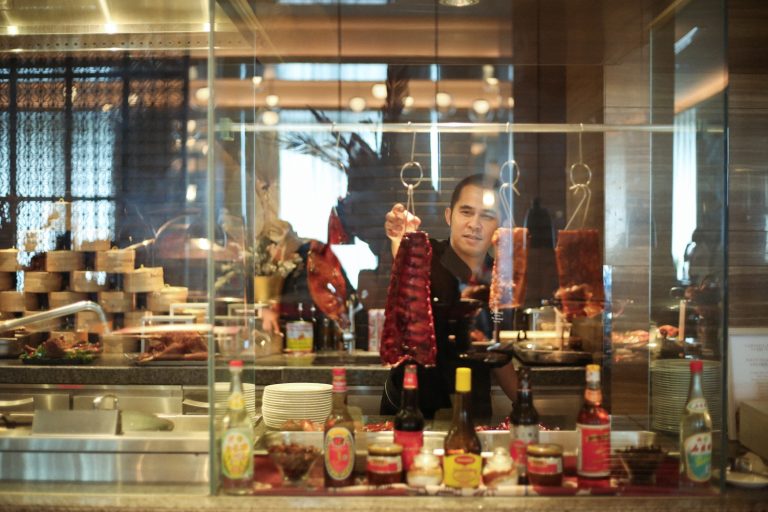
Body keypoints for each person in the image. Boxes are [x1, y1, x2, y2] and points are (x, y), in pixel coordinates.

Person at [379, 173, 518, 422]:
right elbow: (404, 256)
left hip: (472, 409)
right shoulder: (427, 254)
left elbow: (500, 356)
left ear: (499, 225)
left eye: (486, 215)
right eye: (466, 212)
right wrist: (401, 237)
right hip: (410, 408)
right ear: (448, 216)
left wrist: (524, 402)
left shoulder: (499, 279)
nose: (475, 224)